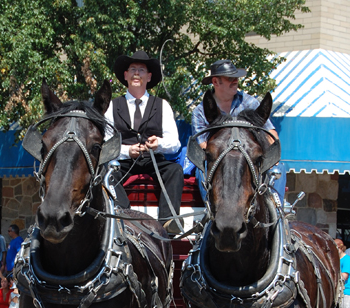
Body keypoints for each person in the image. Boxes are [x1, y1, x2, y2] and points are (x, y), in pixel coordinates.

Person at [105, 50, 184, 234]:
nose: (137, 73)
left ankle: (167, 222)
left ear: (149, 77)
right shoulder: (111, 106)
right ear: (125, 75)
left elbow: (175, 143)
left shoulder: (162, 105)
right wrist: (127, 150)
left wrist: (159, 144)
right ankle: (125, 218)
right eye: (132, 69)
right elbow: (107, 143)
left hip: (153, 159)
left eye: (141, 70)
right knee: (106, 174)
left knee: (175, 171)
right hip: (124, 161)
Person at [190, 59, 283, 202]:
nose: (235, 81)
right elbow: (203, 145)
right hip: (218, 161)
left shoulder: (250, 103)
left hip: (249, 161)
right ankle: (211, 214)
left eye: (236, 78)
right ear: (215, 81)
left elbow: (271, 135)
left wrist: (272, 155)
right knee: (201, 170)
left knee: (280, 169)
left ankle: (277, 215)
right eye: (230, 78)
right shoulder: (200, 111)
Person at [334, 239, 350, 308]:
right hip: (337, 293)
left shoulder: (346, 259)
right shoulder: (335, 259)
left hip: (346, 292)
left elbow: (344, 276)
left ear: (340, 248)